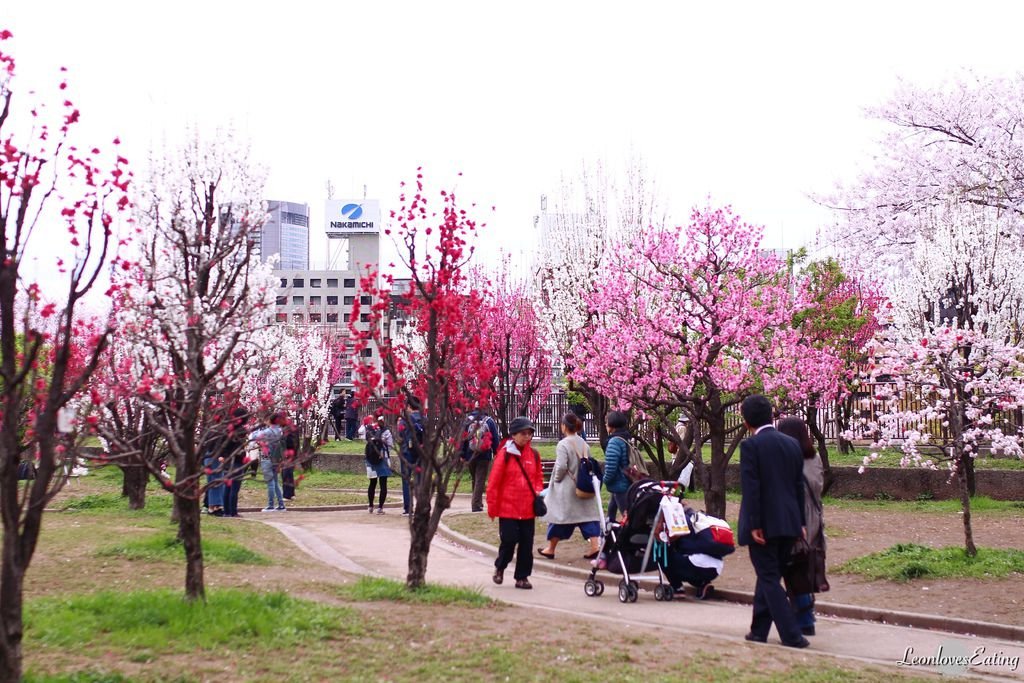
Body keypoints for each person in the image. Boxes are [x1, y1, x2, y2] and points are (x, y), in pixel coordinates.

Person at [737, 395, 809, 649]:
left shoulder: (751, 446)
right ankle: (758, 631)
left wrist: (755, 522)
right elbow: (798, 486)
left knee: (768, 577)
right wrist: (800, 521)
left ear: (746, 421)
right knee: (768, 575)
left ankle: (792, 634)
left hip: (764, 524)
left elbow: (752, 487)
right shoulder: (791, 444)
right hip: (789, 521)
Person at [777, 416, 826, 637]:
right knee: (802, 568)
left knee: (794, 569)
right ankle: (804, 616)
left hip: (798, 519)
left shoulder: (789, 459)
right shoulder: (814, 457)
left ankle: (805, 619)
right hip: (815, 517)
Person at [486, 416, 543, 589]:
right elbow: (494, 483)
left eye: (530, 433)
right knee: (509, 541)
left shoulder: (533, 454)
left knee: (527, 544)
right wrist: (492, 507)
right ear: (514, 435)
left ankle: (522, 577)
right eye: (524, 433)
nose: (527, 437)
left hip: (527, 508)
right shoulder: (504, 455)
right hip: (507, 508)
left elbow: (538, 477)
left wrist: (538, 490)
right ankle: (500, 567)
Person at [537, 413, 602, 560]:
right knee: (588, 517)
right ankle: (594, 546)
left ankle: (551, 548)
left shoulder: (563, 444)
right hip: (583, 487)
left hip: (567, 488)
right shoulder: (584, 443)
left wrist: (557, 480)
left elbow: (561, 466)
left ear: (564, 426)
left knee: (559, 518)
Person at [460, 407, 500, 512]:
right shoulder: (489, 421)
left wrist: (462, 454)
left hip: (470, 454)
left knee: (476, 479)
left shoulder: (468, 420)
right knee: (480, 480)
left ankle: (477, 502)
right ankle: (476, 505)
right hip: (484, 455)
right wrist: (497, 452)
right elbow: (495, 438)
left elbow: (462, 438)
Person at [250, 413, 286, 512]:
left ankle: (270, 505)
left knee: (270, 482)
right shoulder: (280, 431)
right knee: (276, 482)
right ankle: (281, 504)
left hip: (267, 457)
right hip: (276, 458)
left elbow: (255, 437)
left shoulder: (267, 432)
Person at [601, 410, 632, 523]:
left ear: (612, 424)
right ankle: (609, 533)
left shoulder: (614, 441)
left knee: (627, 515)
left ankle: (630, 537)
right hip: (626, 481)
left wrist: (605, 479)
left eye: (607, 422)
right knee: (611, 510)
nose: (605, 425)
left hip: (620, 484)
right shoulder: (626, 438)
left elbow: (611, 466)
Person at [360, 415, 394, 514]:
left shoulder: (368, 429)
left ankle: (370, 506)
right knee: (383, 483)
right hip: (382, 458)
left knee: (372, 483)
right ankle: (380, 508)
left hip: (370, 458)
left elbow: (361, 435)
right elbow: (390, 445)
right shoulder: (386, 431)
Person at [398, 396, 424, 516]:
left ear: (408, 406)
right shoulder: (425, 419)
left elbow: (401, 434)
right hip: (421, 453)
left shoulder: (405, 420)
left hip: (407, 452)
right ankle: (421, 506)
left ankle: (408, 508)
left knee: (407, 480)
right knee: (420, 479)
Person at [221, 407, 249, 518]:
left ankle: (226, 511)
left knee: (227, 486)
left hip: (227, 460)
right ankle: (233, 511)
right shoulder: (242, 431)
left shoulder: (228, 429)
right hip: (237, 460)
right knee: (235, 487)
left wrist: (222, 455)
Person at [281, 418, 299, 501]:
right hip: (292, 454)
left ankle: (287, 494)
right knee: (289, 473)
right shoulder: (293, 430)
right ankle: (291, 493)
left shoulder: (287, 432)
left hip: (287, 454)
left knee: (286, 473)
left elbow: (288, 443)